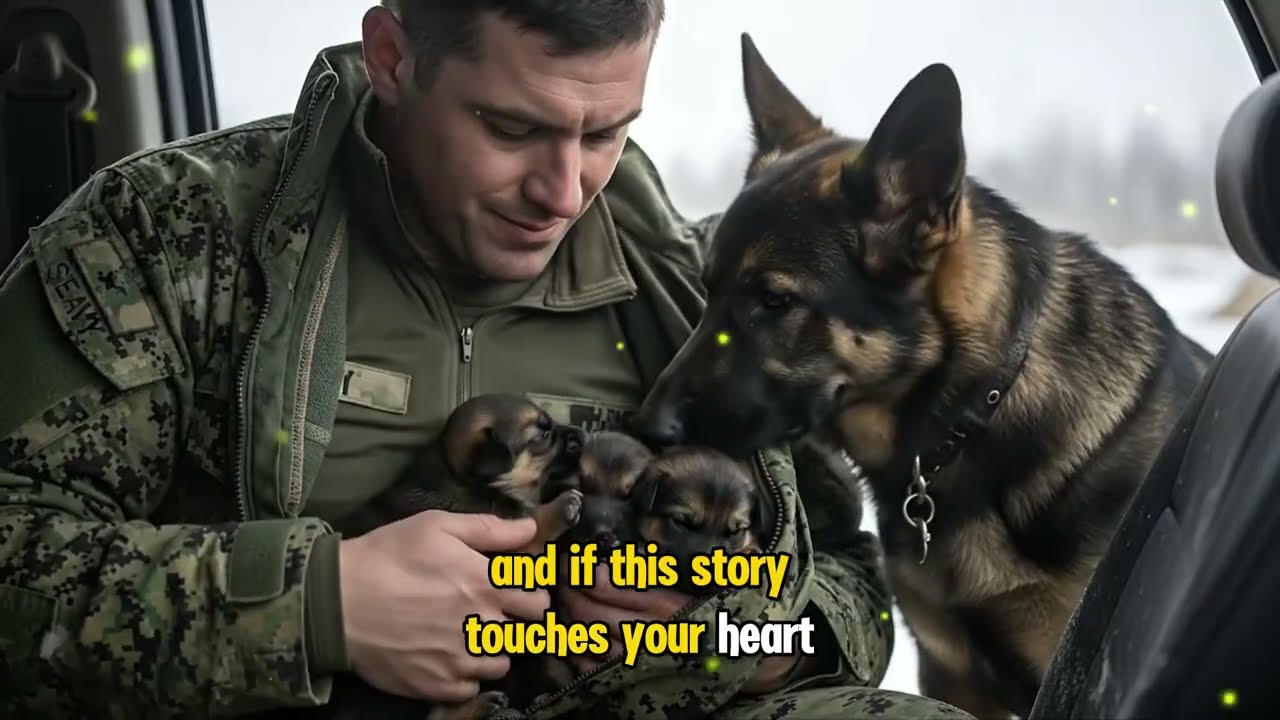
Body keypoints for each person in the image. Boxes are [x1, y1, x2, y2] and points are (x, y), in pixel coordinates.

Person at [0, 2, 972, 718]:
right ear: (393, 59)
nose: (563, 191)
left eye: (606, 132)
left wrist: (739, 641)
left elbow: (849, 581)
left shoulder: (690, 291)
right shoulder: (163, 243)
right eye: (512, 128)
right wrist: (312, 607)